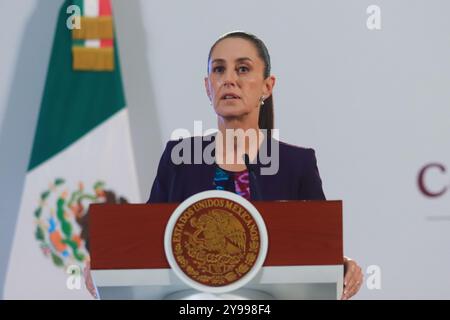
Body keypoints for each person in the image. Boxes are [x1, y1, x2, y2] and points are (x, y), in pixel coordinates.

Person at [146, 31, 363, 299]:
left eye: (243, 69)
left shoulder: (296, 165)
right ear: (207, 86)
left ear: (267, 86)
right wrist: (103, 264)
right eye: (219, 70)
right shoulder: (179, 158)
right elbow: (147, 244)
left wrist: (341, 265)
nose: (229, 80)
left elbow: (316, 247)